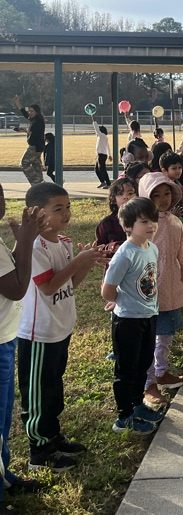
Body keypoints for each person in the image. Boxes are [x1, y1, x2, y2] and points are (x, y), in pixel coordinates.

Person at [17, 183, 105, 471]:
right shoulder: (35, 247)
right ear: (36, 212)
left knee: (54, 388)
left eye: (68, 207)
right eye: (58, 208)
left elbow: (70, 284)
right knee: (39, 393)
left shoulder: (64, 241)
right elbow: (48, 287)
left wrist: (86, 262)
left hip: (60, 329)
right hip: (39, 333)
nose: (66, 213)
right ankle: (40, 451)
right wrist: (78, 261)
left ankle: (53, 436)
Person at [0, 185, 49, 515]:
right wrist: (29, 240)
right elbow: (18, 288)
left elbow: (12, 272)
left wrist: (21, 241)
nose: (2, 205)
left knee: (3, 419)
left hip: (5, 339)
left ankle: (3, 476)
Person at [101, 197, 164, 435]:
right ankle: (124, 416)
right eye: (144, 221)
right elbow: (107, 290)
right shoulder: (125, 254)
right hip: (128, 320)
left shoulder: (152, 248)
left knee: (143, 363)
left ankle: (138, 405)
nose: (151, 225)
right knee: (126, 369)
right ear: (128, 226)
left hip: (149, 315)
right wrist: (121, 301)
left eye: (153, 220)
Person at [138, 172, 183, 405]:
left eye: (167, 193)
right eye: (156, 195)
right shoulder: (143, 226)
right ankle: (149, 382)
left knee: (166, 334)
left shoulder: (175, 222)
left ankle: (162, 371)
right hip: (148, 291)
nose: (163, 199)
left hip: (171, 287)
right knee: (148, 338)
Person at [95, 178, 137, 252]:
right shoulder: (107, 224)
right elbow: (100, 248)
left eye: (130, 193)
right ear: (113, 199)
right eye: (120, 194)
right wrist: (112, 247)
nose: (126, 197)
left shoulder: (144, 219)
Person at [12, 96, 45, 186]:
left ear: (37, 112)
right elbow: (24, 113)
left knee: (24, 163)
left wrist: (25, 131)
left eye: (32, 111)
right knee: (36, 165)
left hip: (35, 146)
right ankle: (40, 186)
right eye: (29, 111)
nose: (30, 113)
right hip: (38, 146)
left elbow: (35, 133)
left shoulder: (38, 120)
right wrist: (18, 103)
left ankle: (37, 182)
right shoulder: (34, 119)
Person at [92, 115, 111, 188]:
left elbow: (96, 128)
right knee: (97, 169)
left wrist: (93, 119)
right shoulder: (104, 137)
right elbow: (108, 147)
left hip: (102, 155)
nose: (96, 132)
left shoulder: (101, 135)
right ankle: (102, 182)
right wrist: (109, 155)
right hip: (101, 155)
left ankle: (108, 183)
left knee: (102, 169)